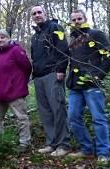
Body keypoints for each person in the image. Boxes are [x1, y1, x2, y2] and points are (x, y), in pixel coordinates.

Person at [66, 10, 110, 162]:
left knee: (98, 118)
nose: (76, 21)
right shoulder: (73, 39)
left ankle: (103, 153)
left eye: (79, 18)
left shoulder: (96, 34)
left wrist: (97, 76)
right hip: (75, 86)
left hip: (92, 84)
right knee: (73, 117)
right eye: (73, 19)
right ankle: (87, 149)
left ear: (85, 19)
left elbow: (109, 55)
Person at [30, 5, 70, 156]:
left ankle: (63, 145)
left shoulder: (55, 27)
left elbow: (64, 49)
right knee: (45, 112)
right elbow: (34, 57)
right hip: (39, 77)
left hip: (53, 74)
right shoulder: (35, 36)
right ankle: (51, 143)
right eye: (34, 13)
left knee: (58, 109)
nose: (37, 15)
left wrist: (61, 69)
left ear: (45, 14)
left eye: (39, 12)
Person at [0, 29, 32, 153]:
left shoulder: (16, 50)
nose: (0, 40)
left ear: (8, 38)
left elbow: (27, 67)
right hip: (0, 94)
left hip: (15, 92)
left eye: (2, 37)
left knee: (21, 118)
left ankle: (25, 143)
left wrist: (17, 82)